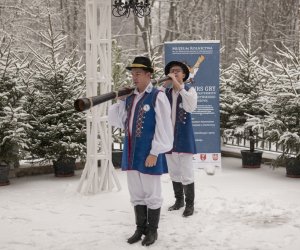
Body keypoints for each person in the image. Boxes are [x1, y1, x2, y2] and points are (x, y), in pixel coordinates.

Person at [108, 56, 173, 246]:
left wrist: (155, 152)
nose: (134, 77)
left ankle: (152, 231)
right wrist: (120, 101)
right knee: (136, 193)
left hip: (148, 153)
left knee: (152, 194)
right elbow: (118, 122)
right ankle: (140, 228)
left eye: (138, 74)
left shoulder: (157, 96)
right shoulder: (131, 97)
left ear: (148, 75)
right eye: (132, 74)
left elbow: (164, 127)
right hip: (131, 152)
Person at [160, 60, 198, 217]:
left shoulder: (190, 90)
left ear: (184, 74)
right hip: (170, 140)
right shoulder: (165, 93)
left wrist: (178, 86)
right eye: (172, 71)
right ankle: (179, 200)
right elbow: (154, 101)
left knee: (187, 173)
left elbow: (190, 107)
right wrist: (165, 84)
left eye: (178, 71)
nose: (174, 73)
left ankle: (190, 205)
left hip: (184, 139)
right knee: (174, 172)